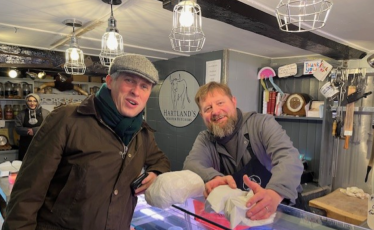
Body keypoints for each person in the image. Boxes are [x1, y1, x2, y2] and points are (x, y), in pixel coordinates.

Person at [3, 54, 171, 230]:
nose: (136, 91)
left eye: (144, 86)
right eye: (129, 80)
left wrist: (156, 173)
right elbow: (28, 193)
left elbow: (161, 161)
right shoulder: (66, 119)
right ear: (110, 81)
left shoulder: (142, 133)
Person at [183, 81, 303, 221]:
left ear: (233, 101)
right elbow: (191, 164)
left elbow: (288, 157)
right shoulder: (205, 139)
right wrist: (214, 178)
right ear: (202, 115)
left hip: (283, 214)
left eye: (220, 103)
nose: (215, 111)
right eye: (208, 108)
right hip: (242, 217)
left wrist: (275, 193)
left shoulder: (261, 124)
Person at [14, 93, 50, 161]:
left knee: (40, 164)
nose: (32, 103)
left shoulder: (46, 113)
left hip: (41, 144)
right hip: (25, 145)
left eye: (35, 101)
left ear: (38, 101)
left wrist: (34, 130)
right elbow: (17, 128)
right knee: (24, 165)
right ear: (26, 102)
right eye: (29, 101)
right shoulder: (21, 114)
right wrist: (28, 131)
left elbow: (49, 127)